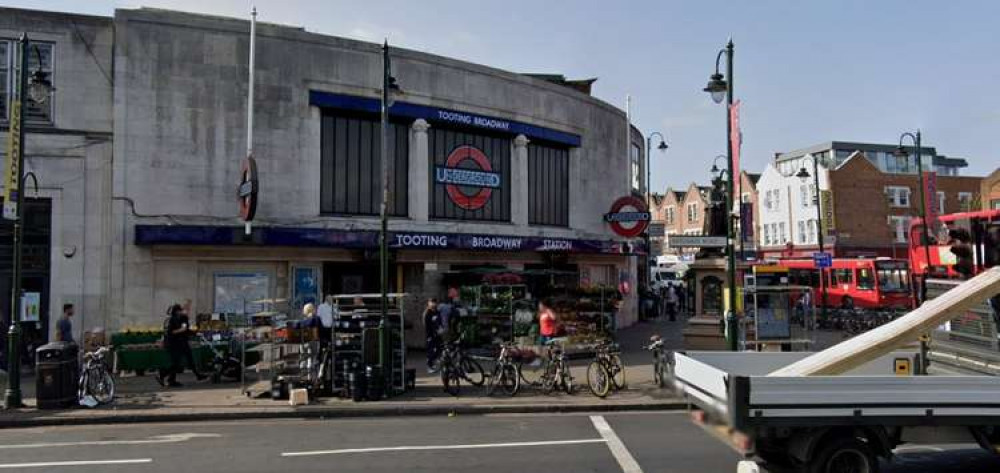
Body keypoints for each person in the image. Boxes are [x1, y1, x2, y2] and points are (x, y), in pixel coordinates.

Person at [157, 304, 189, 387]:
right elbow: (171, 332)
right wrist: (181, 330)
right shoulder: (173, 320)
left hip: (171, 343)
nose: (181, 311)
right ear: (177, 311)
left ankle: (171, 380)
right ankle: (163, 374)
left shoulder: (170, 319)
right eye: (180, 310)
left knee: (176, 362)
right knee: (176, 363)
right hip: (173, 344)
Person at [423, 299, 442, 373]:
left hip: (437, 334)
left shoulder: (437, 312)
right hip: (430, 335)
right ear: (428, 304)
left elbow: (439, 321)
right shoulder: (427, 313)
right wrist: (431, 333)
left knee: (440, 349)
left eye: (434, 302)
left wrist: (440, 328)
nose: (433, 304)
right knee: (430, 351)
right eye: (432, 303)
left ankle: (433, 362)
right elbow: (426, 325)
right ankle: (429, 366)